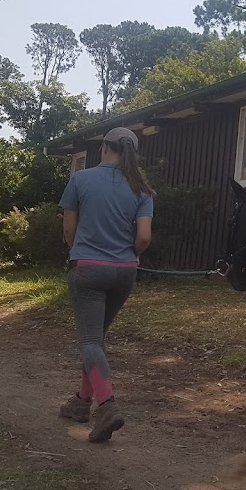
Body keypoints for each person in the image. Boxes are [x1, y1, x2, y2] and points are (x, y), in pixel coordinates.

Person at [58, 126, 154, 442]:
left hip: (87, 267)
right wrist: (130, 255)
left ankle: (107, 405)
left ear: (104, 148)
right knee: (96, 339)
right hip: (125, 272)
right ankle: (81, 402)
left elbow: (69, 229)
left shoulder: (80, 180)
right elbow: (143, 237)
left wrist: (78, 252)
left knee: (89, 340)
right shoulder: (141, 189)